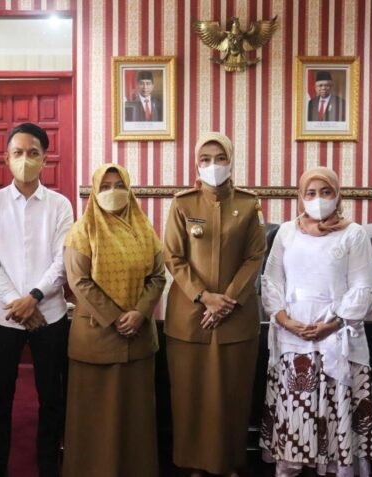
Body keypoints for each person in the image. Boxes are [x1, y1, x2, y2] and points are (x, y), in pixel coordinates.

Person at [259, 166, 372, 477]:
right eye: (310, 193)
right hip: (292, 338)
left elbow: (363, 286)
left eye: (326, 192)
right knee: (294, 416)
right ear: (300, 197)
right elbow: (272, 280)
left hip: (337, 338)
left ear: (338, 195)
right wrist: (285, 320)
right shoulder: (287, 232)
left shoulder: (353, 234)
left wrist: (333, 324)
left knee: (337, 417)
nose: (318, 199)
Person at [163, 132, 266, 477]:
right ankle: (195, 464)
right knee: (191, 396)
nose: (213, 165)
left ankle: (227, 463)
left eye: (220, 158)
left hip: (236, 318)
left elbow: (255, 256)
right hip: (190, 316)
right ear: (196, 164)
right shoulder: (183, 204)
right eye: (205, 159)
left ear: (231, 161)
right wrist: (204, 297)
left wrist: (227, 301)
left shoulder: (249, 204)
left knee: (231, 395)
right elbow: (173, 257)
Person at [0, 123, 73, 477]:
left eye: (33, 153)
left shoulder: (60, 205)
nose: (25, 159)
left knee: (51, 396)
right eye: (17, 153)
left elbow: (61, 261)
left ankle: (48, 465)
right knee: (0, 395)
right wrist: (17, 303)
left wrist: (33, 298)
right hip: (4, 316)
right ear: (6, 158)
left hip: (49, 314)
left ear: (45, 159)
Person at [62, 163, 165, 477]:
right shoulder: (83, 231)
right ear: (94, 191)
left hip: (139, 338)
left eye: (119, 185)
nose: (112, 192)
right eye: (105, 187)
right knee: (95, 419)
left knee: (135, 418)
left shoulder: (144, 229)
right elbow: (79, 281)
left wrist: (140, 313)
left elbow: (158, 276)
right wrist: (117, 317)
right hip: (96, 340)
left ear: (129, 189)